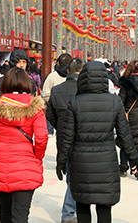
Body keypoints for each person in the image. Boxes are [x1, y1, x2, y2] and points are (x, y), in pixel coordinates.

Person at [56, 61, 137, 223]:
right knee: (104, 207)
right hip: (106, 163)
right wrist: (134, 158)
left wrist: (61, 161)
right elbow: (125, 134)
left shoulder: (75, 102)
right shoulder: (115, 102)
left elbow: (67, 137)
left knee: (83, 205)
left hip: (82, 163)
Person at [0, 67, 48, 223]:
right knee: (21, 216)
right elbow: (42, 137)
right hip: (26, 167)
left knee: (5, 213)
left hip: (0, 165)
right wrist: (37, 155)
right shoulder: (35, 108)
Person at [45, 57, 85, 223]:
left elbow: (50, 115)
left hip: (62, 137)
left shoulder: (57, 90)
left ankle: (71, 208)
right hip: (81, 137)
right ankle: (69, 211)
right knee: (78, 176)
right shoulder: (85, 90)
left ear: (68, 70)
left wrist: (60, 127)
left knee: (70, 173)